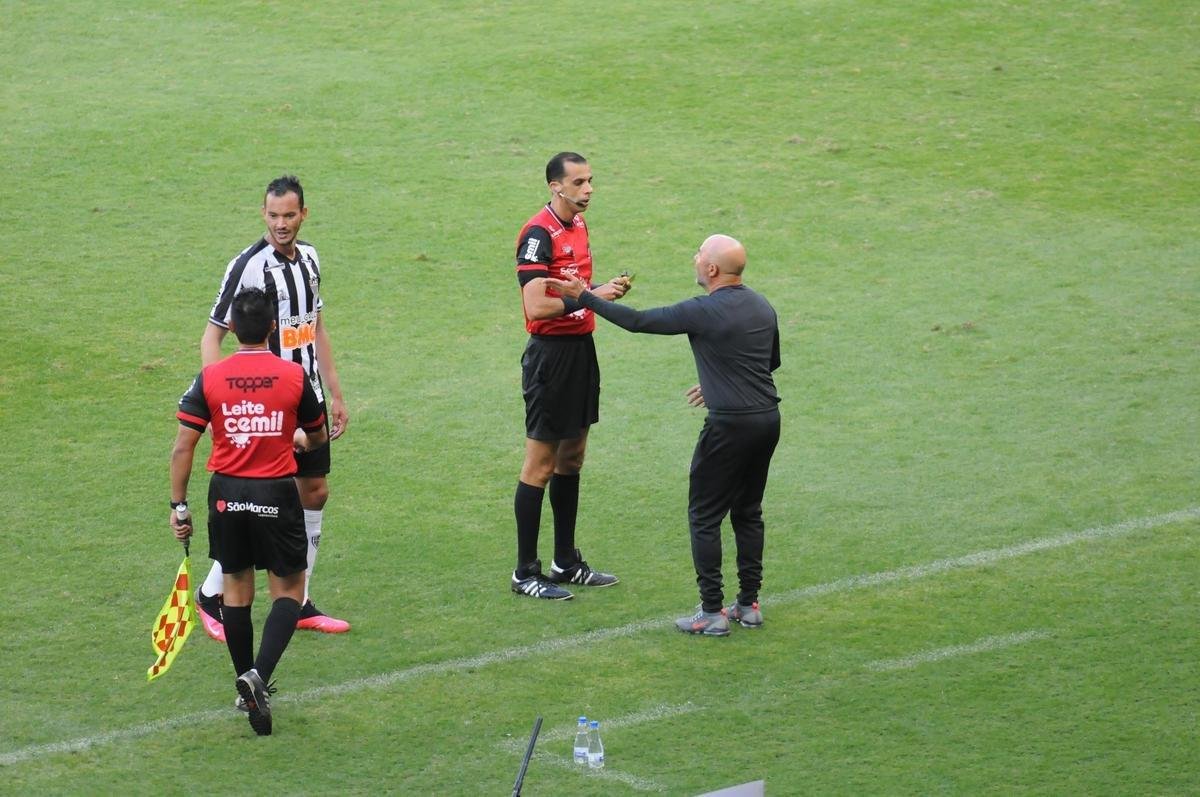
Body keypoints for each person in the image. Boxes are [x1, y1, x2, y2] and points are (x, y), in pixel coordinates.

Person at [549, 234, 781, 635]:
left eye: (699, 254)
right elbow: (767, 363)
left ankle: (712, 612)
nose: (694, 259)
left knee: (704, 516)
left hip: (729, 426)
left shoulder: (703, 310)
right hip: (767, 420)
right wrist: (718, 383)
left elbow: (639, 322)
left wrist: (584, 297)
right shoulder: (762, 305)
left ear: (712, 269)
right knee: (748, 511)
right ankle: (749, 604)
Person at [195, 175, 349, 638]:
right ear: (263, 214)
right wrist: (220, 403)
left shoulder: (312, 259)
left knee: (314, 491)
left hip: (307, 397)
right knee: (261, 504)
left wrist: (335, 393)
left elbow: (316, 329)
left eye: (289, 215)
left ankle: (298, 602)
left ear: (304, 214)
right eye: (274, 215)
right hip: (266, 407)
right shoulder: (247, 266)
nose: (281, 224)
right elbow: (212, 336)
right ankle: (211, 593)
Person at [170, 287, 329, 735]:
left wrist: (179, 506)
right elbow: (317, 436)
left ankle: (246, 689)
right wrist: (297, 440)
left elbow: (183, 445)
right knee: (289, 591)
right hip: (275, 493)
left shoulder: (210, 377)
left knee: (236, 592)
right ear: (273, 327)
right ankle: (258, 676)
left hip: (226, 495)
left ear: (233, 328)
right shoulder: (293, 376)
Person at [510, 151, 632, 600]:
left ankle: (564, 561)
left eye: (590, 181)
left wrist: (600, 293)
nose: (588, 189)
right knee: (540, 464)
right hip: (551, 358)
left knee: (573, 457)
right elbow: (536, 306)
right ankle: (525, 572)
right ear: (555, 186)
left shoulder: (578, 225)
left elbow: (577, 291)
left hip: (581, 351)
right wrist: (591, 297)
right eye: (579, 182)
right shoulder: (538, 234)